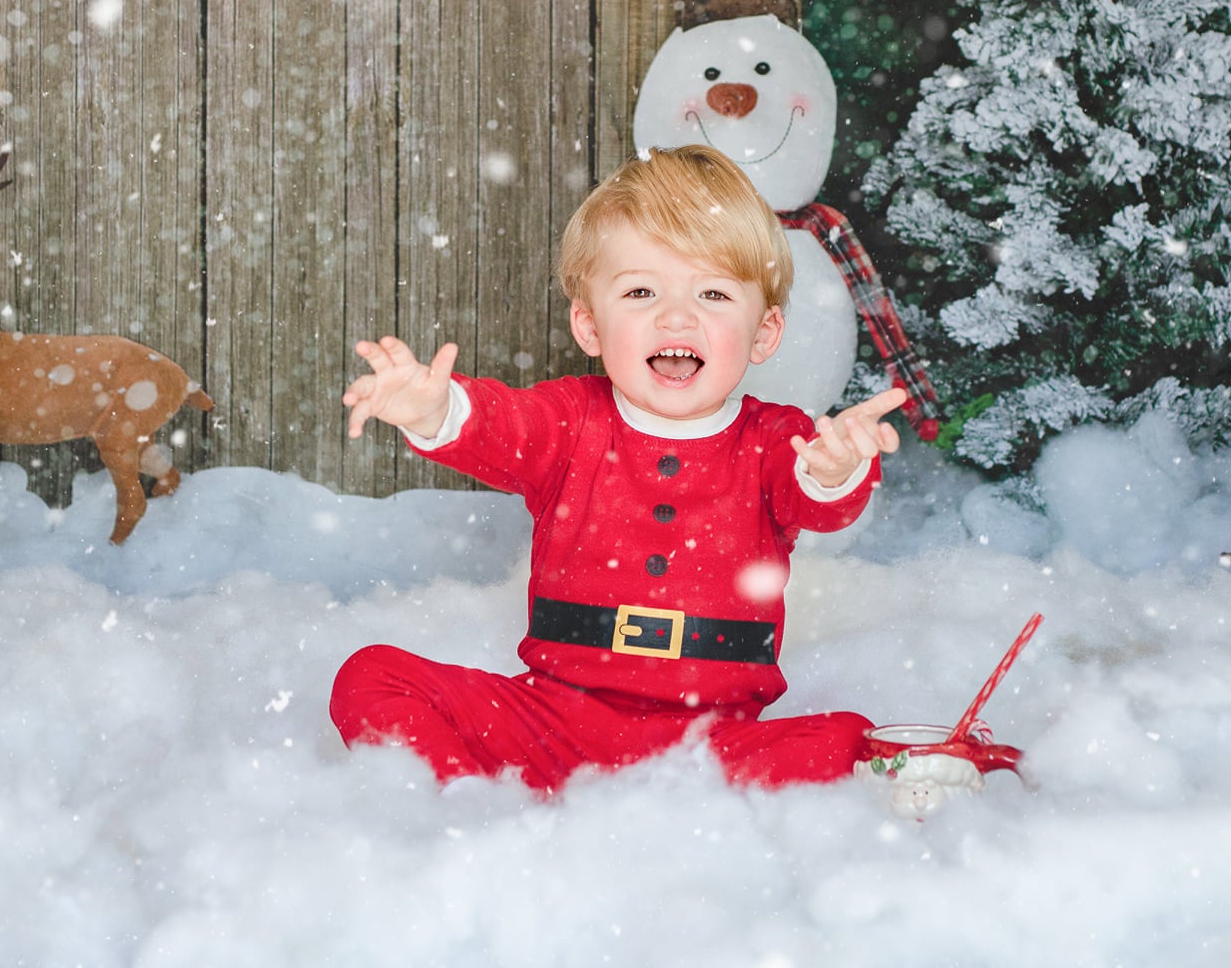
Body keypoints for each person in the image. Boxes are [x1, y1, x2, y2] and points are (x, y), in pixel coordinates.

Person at [329, 145, 907, 791]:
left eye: (713, 292)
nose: (677, 315)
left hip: (708, 744)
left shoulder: (777, 437)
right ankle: (475, 810)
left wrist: (836, 468)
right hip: (554, 722)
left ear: (765, 331)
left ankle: (672, 812)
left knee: (850, 740)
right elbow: (502, 427)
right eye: (640, 290)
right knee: (370, 677)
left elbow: (818, 500)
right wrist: (437, 407)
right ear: (590, 324)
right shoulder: (573, 418)